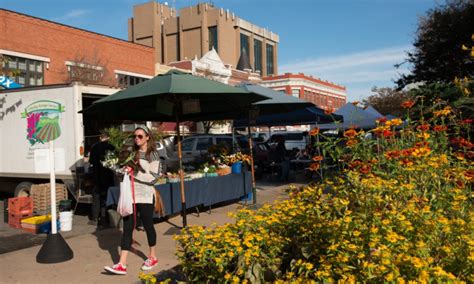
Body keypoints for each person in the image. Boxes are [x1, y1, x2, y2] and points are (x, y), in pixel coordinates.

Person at [104, 125, 161, 275]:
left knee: (148, 225)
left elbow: (154, 178)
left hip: (146, 195)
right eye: (135, 136)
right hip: (131, 195)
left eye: (140, 136)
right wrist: (119, 170)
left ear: (147, 137)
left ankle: (153, 256)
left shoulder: (152, 155)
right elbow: (124, 171)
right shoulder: (131, 153)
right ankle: (122, 263)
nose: (137, 139)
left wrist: (135, 173)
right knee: (127, 227)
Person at [89, 133, 115, 226]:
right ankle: (105, 217)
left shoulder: (94, 147)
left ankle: (95, 217)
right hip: (108, 175)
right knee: (107, 197)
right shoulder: (111, 147)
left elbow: (91, 161)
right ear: (108, 138)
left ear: (100, 138)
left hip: (97, 175)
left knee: (96, 197)